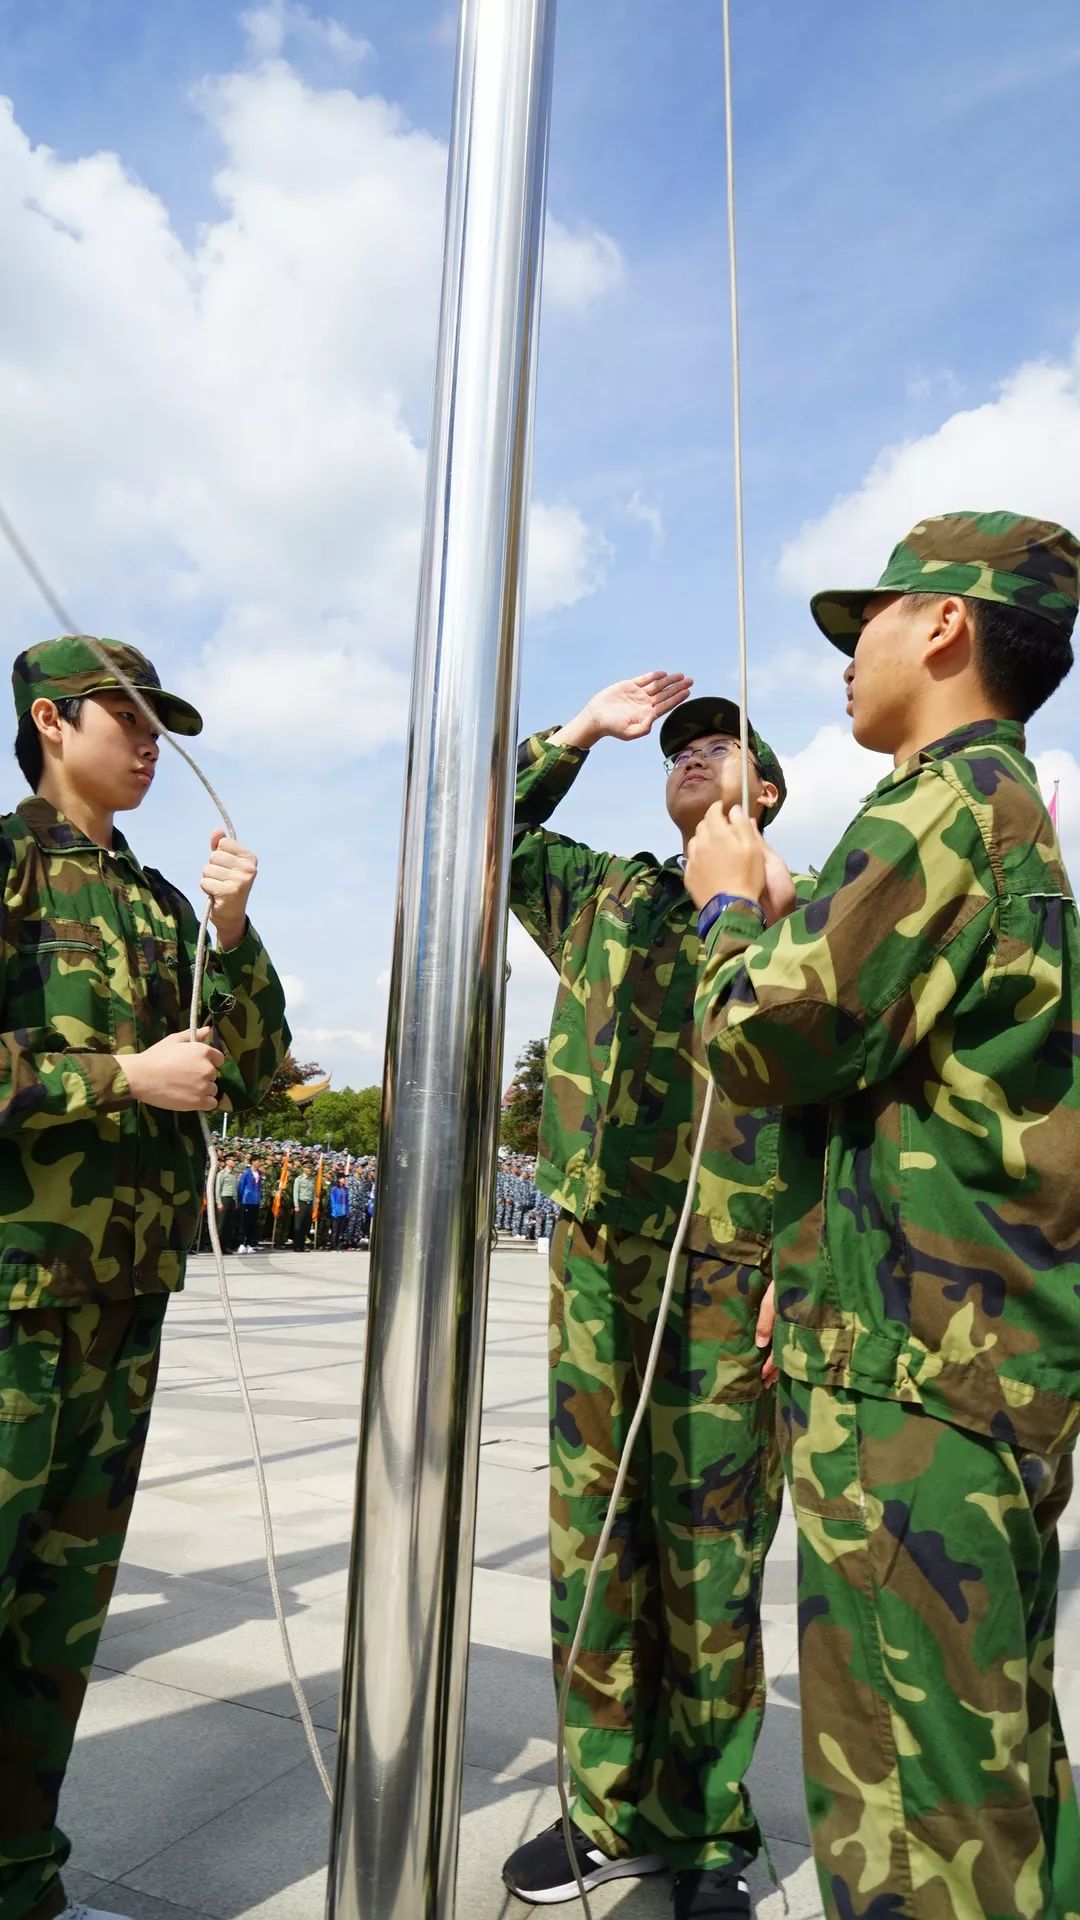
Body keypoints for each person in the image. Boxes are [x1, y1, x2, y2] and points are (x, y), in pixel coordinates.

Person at [688, 512, 1080, 1920]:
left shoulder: (941, 806)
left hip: (916, 1385)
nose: (851, 653)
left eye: (873, 617)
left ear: (947, 628)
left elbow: (763, 1036)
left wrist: (732, 914)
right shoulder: (990, 811)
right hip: (952, 1358)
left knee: (921, 1825)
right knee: (990, 1785)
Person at [0, 634, 288, 1920]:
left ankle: (21, 1880)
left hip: (123, 1302)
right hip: (12, 1298)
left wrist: (232, 927)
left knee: (59, 1616)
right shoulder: (7, 865)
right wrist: (117, 1077)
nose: (153, 740)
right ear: (53, 722)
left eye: (160, 720)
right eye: (129, 716)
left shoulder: (166, 906)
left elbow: (260, 1063)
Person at [502, 673, 795, 1920]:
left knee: (712, 1558)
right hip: (603, 1266)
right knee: (597, 1542)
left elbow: (851, 1094)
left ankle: (712, 1830)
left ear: (765, 793)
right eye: (680, 745)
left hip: (736, 1278)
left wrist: (807, 1260)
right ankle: (610, 1809)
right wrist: (573, 737)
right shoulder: (608, 894)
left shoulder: (810, 910)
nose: (694, 754)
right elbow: (486, 834)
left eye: (723, 746)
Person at [236, 1154, 263, 1253]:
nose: (260, 1163)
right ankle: (241, 1243)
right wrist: (241, 1199)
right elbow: (241, 1187)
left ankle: (249, 1243)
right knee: (244, 1223)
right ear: (253, 1162)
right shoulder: (246, 1173)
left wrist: (259, 1197)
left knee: (252, 1223)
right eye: (258, 1161)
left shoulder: (259, 1174)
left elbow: (260, 1187)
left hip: (255, 1202)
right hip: (246, 1201)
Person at [215, 1152, 239, 1253]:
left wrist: (236, 1202)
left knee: (229, 1226)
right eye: (233, 1160)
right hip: (224, 1199)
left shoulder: (234, 1174)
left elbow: (235, 1190)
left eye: (235, 1161)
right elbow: (217, 1189)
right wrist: (219, 1202)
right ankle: (217, 1247)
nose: (234, 1162)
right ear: (227, 1161)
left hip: (232, 1200)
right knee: (221, 1225)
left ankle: (225, 1247)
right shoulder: (221, 1174)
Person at [292, 1161, 316, 1251]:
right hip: (301, 1203)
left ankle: (302, 1245)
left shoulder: (312, 1179)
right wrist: (296, 1205)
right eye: (308, 1168)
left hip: (309, 1204)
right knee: (298, 1226)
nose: (310, 1170)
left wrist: (314, 1206)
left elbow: (313, 1193)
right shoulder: (299, 1179)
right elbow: (295, 1193)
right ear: (304, 1169)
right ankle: (296, 1246)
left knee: (306, 1226)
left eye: (311, 1168)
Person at [329, 1170, 349, 1249]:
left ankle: (338, 1244)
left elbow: (347, 1201)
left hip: (343, 1211)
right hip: (337, 1210)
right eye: (342, 1178)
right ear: (338, 1179)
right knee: (335, 1230)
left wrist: (347, 1211)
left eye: (344, 1178)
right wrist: (334, 1210)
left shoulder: (346, 1189)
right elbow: (332, 1200)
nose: (344, 1179)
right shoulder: (334, 1189)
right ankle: (333, 1245)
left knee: (340, 1230)